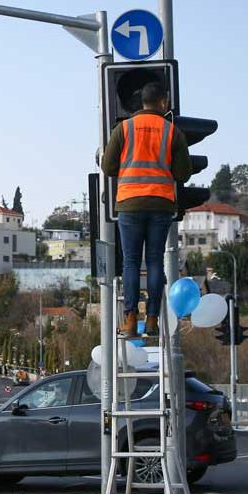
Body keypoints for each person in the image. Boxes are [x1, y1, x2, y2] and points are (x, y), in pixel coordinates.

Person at [101, 80, 191, 338]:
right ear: (163, 102)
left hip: (130, 203)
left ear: (142, 102)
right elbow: (183, 173)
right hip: (161, 203)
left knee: (130, 261)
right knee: (154, 261)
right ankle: (152, 320)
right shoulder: (172, 131)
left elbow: (108, 167)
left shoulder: (124, 128)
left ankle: (130, 320)